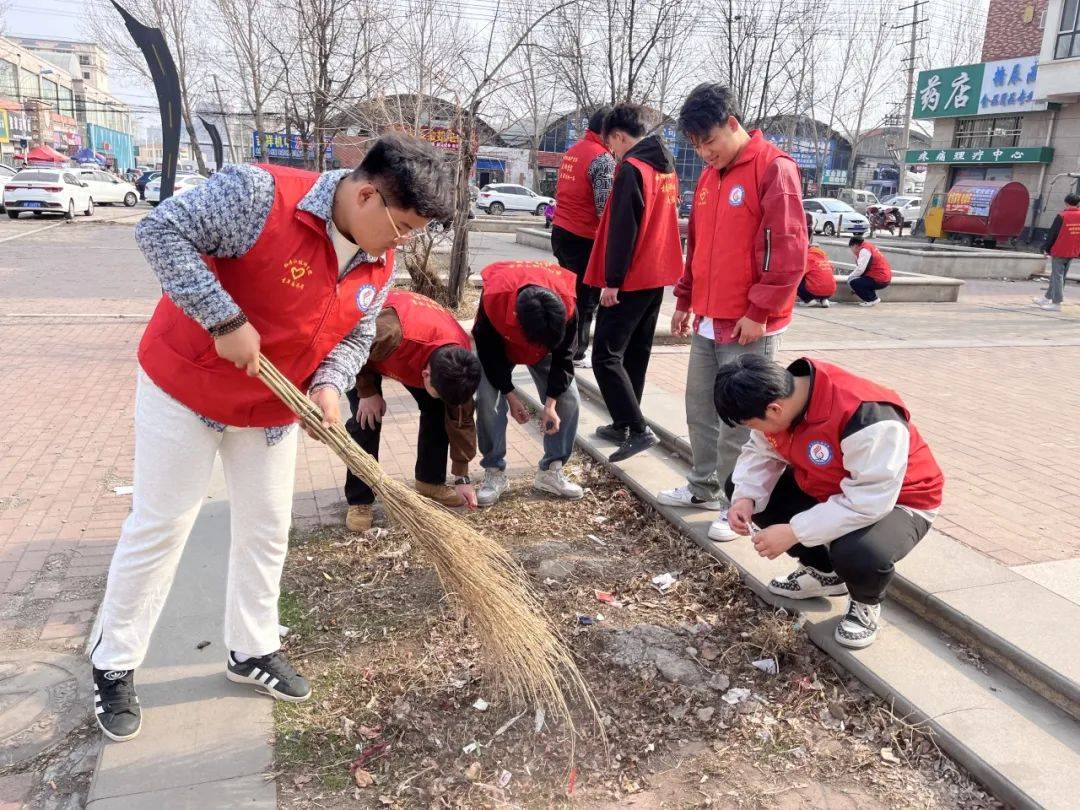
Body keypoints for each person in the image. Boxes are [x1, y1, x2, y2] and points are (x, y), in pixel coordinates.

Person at [88, 133, 453, 743]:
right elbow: (160, 231)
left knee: (265, 527)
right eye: (406, 226)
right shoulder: (258, 195)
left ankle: (251, 649)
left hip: (271, 406)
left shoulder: (378, 260)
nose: (406, 242)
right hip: (187, 386)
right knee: (162, 525)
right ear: (367, 195)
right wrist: (224, 319)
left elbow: (357, 336)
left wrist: (331, 385)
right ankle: (114, 663)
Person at [658, 83, 806, 543]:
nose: (705, 152)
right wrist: (684, 299)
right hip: (706, 315)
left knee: (742, 421)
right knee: (700, 406)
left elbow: (790, 250)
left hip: (748, 323)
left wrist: (760, 310)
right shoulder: (708, 178)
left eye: (710, 141)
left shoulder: (773, 169)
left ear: (733, 124)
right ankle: (702, 485)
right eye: (696, 145)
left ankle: (736, 504)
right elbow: (697, 247)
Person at [716, 355, 944, 649]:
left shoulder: (867, 416)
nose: (757, 431)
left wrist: (793, 532)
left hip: (900, 500)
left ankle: (865, 602)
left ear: (774, 409)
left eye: (752, 423)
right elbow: (760, 452)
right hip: (830, 485)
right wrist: (745, 498)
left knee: (859, 550)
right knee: (743, 488)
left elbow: (869, 501)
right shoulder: (782, 397)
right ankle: (824, 573)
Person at [584, 103, 683, 462]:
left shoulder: (632, 169)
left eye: (612, 145)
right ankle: (624, 422)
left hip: (630, 276)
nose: (612, 152)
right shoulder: (666, 170)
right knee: (635, 354)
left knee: (606, 356)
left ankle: (638, 429)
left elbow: (624, 228)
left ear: (619, 136)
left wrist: (612, 281)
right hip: (656, 274)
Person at [343, 290, 482, 533]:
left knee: (438, 407)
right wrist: (366, 390)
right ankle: (359, 500)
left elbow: (461, 419)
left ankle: (429, 481)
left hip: (415, 348)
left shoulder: (460, 364)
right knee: (367, 420)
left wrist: (462, 476)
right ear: (425, 375)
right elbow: (350, 343)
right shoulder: (390, 333)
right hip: (365, 351)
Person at [472, 259, 584, 506]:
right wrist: (511, 395)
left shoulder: (567, 304)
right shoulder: (495, 298)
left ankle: (551, 471)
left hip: (545, 348)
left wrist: (551, 404)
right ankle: (494, 472)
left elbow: (564, 357)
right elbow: (488, 353)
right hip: (500, 347)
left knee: (569, 400)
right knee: (488, 401)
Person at [550, 106, 616, 369]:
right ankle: (576, 352)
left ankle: (560, 345)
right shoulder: (602, 159)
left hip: (561, 232)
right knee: (586, 298)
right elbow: (604, 207)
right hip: (584, 238)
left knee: (567, 292)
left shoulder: (572, 152)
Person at [1033, 192, 1080, 312]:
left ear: (1066, 202)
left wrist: (1045, 248)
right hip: (1073, 250)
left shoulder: (1062, 216)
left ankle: (1056, 303)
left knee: (1057, 276)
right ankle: (1047, 297)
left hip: (1060, 250)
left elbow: (1052, 235)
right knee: (1059, 276)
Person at [798, 217, 837, 308]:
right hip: (831, 291)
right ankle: (824, 300)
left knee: (798, 280)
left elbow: (800, 273)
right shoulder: (823, 257)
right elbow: (831, 270)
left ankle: (809, 300)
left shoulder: (809, 257)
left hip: (815, 290)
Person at [846, 235, 892, 306]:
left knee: (853, 282)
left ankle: (872, 299)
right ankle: (873, 298)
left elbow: (860, 269)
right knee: (861, 280)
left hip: (880, 278)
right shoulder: (868, 246)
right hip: (883, 277)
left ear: (855, 245)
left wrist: (850, 277)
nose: (851, 250)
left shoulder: (864, 250)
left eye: (851, 248)